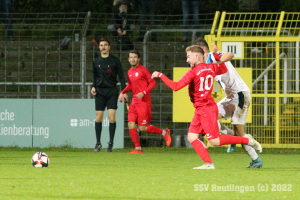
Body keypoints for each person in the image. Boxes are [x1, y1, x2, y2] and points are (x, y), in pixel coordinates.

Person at [152, 45, 262, 169]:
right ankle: (208, 163)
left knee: (214, 141)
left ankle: (247, 141)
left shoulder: (192, 72)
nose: (187, 60)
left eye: (188, 57)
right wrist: (216, 58)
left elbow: (176, 86)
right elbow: (224, 69)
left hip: (206, 109)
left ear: (197, 56)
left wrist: (160, 75)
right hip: (202, 108)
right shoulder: (211, 66)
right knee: (192, 137)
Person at [193, 38, 263, 168]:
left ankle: (256, 160)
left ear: (202, 50)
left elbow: (230, 54)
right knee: (209, 117)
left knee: (240, 132)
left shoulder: (212, 57)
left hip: (240, 94)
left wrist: (217, 61)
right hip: (230, 96)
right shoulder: (204, 64)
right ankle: (233, 138)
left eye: (194, 53)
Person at [118, 50, 171, 154]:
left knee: (142, 128)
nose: (132, 59)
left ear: (139, 59)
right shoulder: (129, 72)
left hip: (143, 101)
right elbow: (130, 85)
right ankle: (138, 149)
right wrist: (122, 92)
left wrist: (143, 92)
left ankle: (164, 132)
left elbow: (153, 83)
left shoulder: (143, 70)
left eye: (135, 57)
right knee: (130, 124)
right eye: (131, 57)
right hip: (134, 101)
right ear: (128, 59)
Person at [91, 38, 127, 153]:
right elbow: (94, 76)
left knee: (111, 117)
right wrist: (93, 86)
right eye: (101, 45)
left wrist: (123, 90)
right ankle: (98, 143)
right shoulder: (96, 61)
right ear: (99, 47)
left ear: (109, 47)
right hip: (100, 92)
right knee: (98, 118)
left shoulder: (115, 60)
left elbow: (121, 76)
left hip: (112, 91)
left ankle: (110, 143)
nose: (103, 47)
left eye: (105, 45)